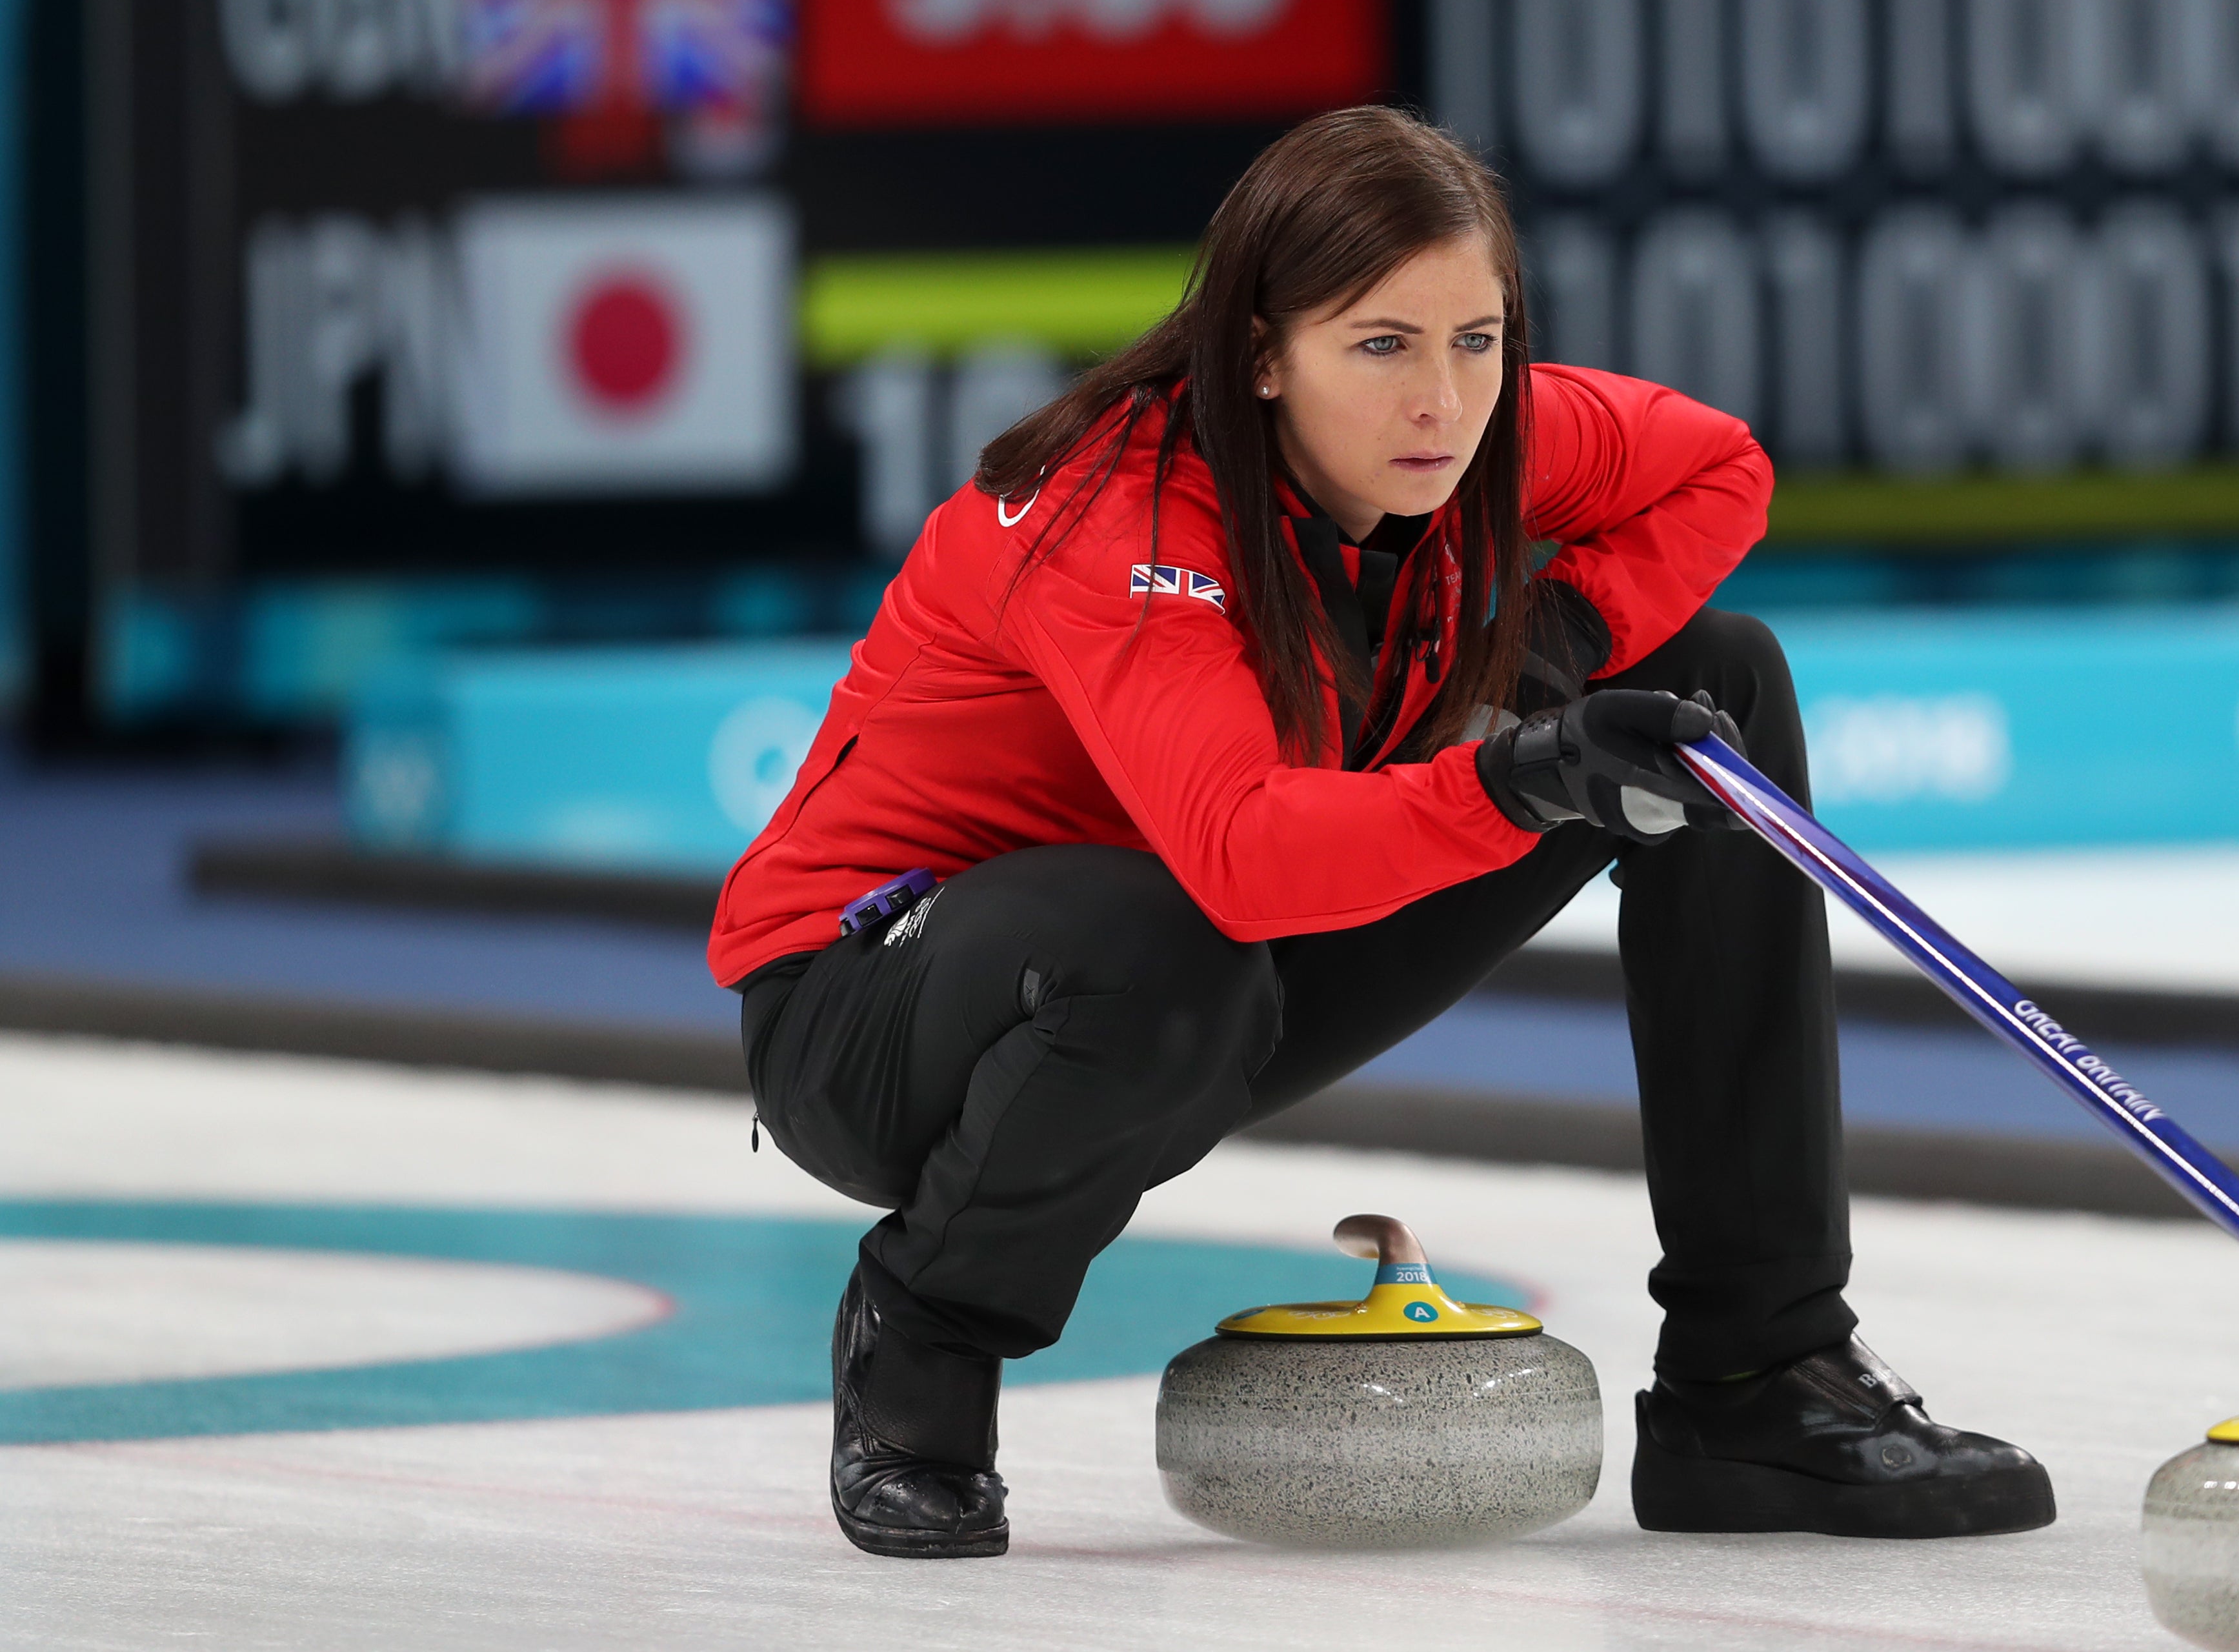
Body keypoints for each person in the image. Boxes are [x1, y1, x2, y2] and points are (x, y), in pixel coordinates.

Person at [711, 108, 2053, 1560]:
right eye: (1383, 345)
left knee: (1708, 686)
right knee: (1162, 930)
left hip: (1213, 968)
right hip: (878, 1015)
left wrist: (1546, 663)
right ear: (1261, 355)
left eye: (1477, 341)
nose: (1444, 403)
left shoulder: (1480, 441)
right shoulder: (1123, 513)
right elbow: (1231, 852)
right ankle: (924, 1339)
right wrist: (1524, 776)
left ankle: (1758, 1372)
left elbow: (1721, 465)